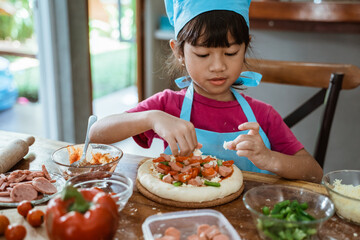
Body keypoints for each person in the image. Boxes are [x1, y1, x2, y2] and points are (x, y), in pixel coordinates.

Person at [89, 0, 323, 183]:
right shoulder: (167, 106)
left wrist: (269, 158)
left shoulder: (262, 115)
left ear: (245, 47)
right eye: (203, 54)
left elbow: (314, 173)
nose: (218, 66)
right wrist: (152, 117)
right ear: (179, 52)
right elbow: (96, 134)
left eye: (230, 53)